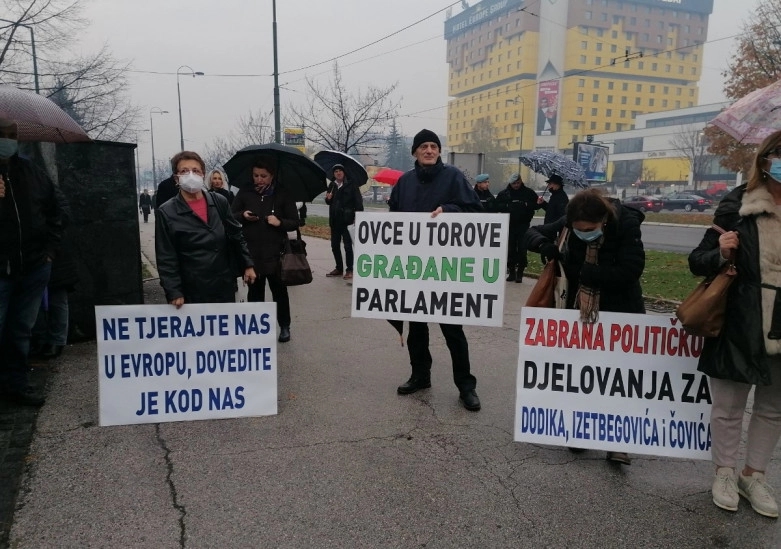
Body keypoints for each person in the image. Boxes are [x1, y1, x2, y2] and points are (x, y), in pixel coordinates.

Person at [688, 130, 781, 518]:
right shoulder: (737, 203)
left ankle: (753, 475)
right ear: (766, 159)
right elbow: (698, 258)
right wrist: (721, 250)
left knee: (773, 407)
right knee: (728, 405)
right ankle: (724, 472)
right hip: (740, 317)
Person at [525, 188, 645, 465]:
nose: (584, 234)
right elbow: (532, 232)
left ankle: (617, 442)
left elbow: (632, 270)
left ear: (604, 220)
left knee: (616, 379)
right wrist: (544, 245)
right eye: (578, 230)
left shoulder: (625, 223)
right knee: (582, 375)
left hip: (619, 310)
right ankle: (580, 430)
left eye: (590, 229)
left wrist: (589, 273)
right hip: (579, 312)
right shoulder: (570, 222)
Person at [388, 129, 483, 412]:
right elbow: (393, 223)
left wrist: (449, 211)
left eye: (434, 146)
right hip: (414, 269)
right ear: (415, 152)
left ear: (439, 151)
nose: (429, 150)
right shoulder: (404, 183)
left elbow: (476, 212)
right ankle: (420, 376)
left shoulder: (453, 177)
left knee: (453, 331)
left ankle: (466, 386)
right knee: (417, 329)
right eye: (424, 147)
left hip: (446, 269)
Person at [0, 117, 68, 406]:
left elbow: (58, 209)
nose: (8, 139)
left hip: (34, 266)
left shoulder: (31, 171)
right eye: (3, 134)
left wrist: (49, 251)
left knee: (20, 331)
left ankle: (17, 385)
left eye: (12, 134)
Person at [155, 151, 256, 307]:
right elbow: (166, 256)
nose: (191, 175)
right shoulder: (167, 212)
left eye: (195, 170)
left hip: (223, 283)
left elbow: (236, 234)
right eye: (184, 171)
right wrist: (174, 291)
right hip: (191, 288)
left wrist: (247, 265)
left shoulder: (219, 202)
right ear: (176, 178)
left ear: (202, 174)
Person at [232, 157, 300, 343]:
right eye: (256, 175)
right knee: (255, 292)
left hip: (276, 253)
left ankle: (284, 325)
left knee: (279, 291)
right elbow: (231, 216)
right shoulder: (245, 192)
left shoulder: (282, 193)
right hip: (252, 253)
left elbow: (295, 221)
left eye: (264, 176)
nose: (259, 179)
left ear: (272, 176)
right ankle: (256, 329)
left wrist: (280, 222)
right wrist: (243, 215)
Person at [495, 173, 541, 283]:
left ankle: (520, 272)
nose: (516, 185)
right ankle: (511, 271)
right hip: (509, 224)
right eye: (514, 183)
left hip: (523, 225)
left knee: (522, 248)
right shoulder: (504, 193)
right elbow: (497, 206)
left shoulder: (528, 193)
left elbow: (536, 205)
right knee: (510, 248)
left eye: (518, 183)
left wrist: (526, 205)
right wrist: (507, 206)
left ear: (521, 181)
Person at [324, 163, 364, 280]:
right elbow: (329, 202)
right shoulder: (332, 185)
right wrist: (328, 199)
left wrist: (358, 216)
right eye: (336, 171)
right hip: (335, 221)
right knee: (334, 245)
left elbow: (358, 202)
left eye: (340, 171)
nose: (338, 173)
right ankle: (339, 268)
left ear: (344, 172)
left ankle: (350, 270)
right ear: (334, 174)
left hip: (347, 221)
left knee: (347, 246)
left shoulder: (351, 185)